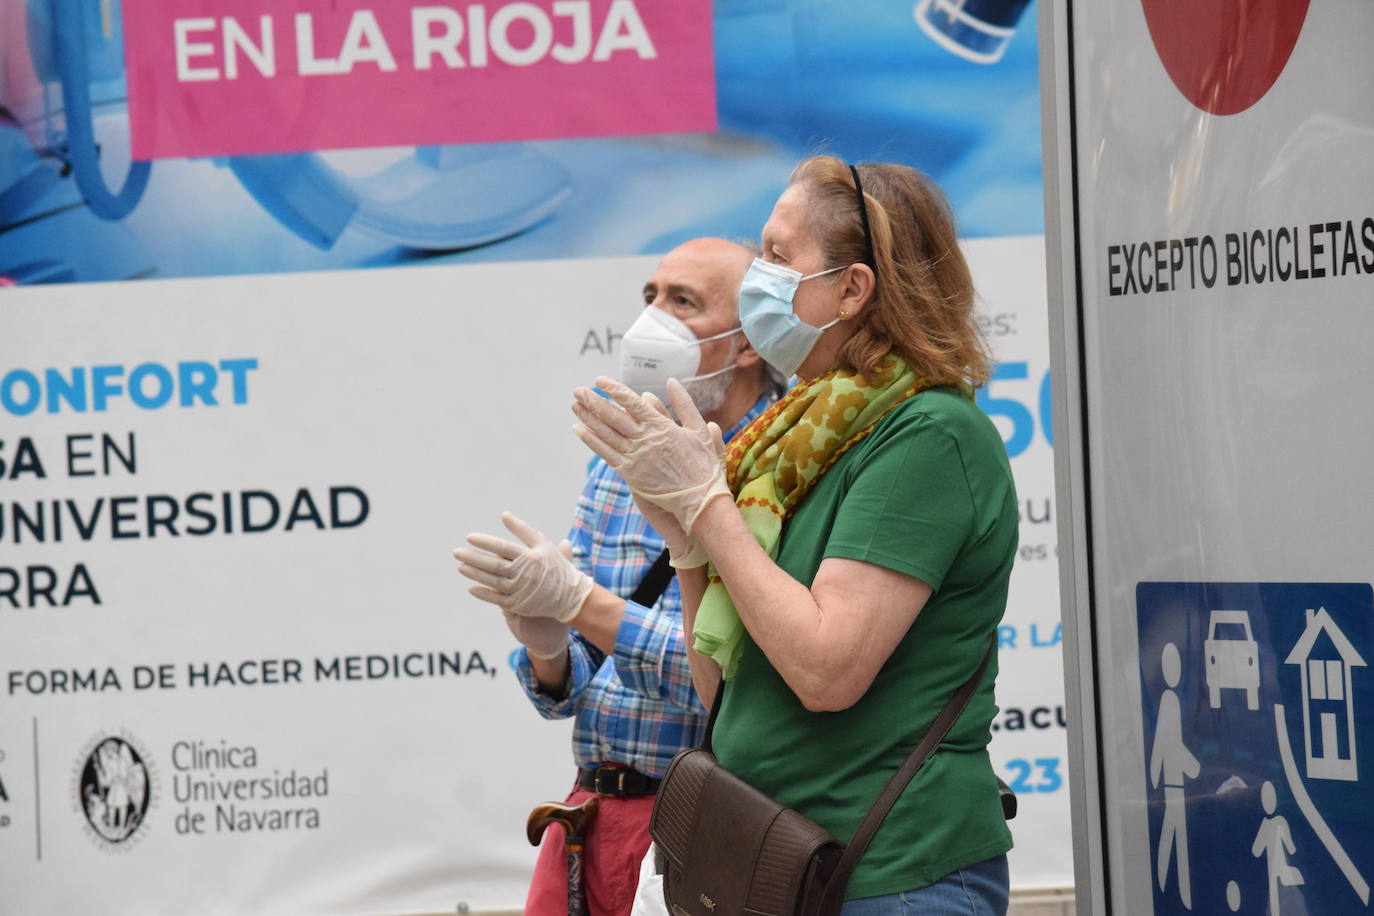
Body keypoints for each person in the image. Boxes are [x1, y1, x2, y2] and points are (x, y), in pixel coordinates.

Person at [571, 157, 1019, 914]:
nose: (760, 276)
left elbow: (825, 669)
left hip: (892, 877)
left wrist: (710, 508)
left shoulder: (927, 435)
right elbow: (722, 684)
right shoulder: (800, 431)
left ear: (853, 288)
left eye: (779, 255)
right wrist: (687, 545)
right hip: (781, 868)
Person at [453, 238, 781, 916]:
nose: (650, 321)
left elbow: (733, 683)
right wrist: (547, 645)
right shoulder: (618, 456)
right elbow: (568, 688)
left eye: (682, 302)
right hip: (589, 815)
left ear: (747, 343)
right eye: (650, 297)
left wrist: (583, 603)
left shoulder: (778, 464)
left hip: (704, 823)